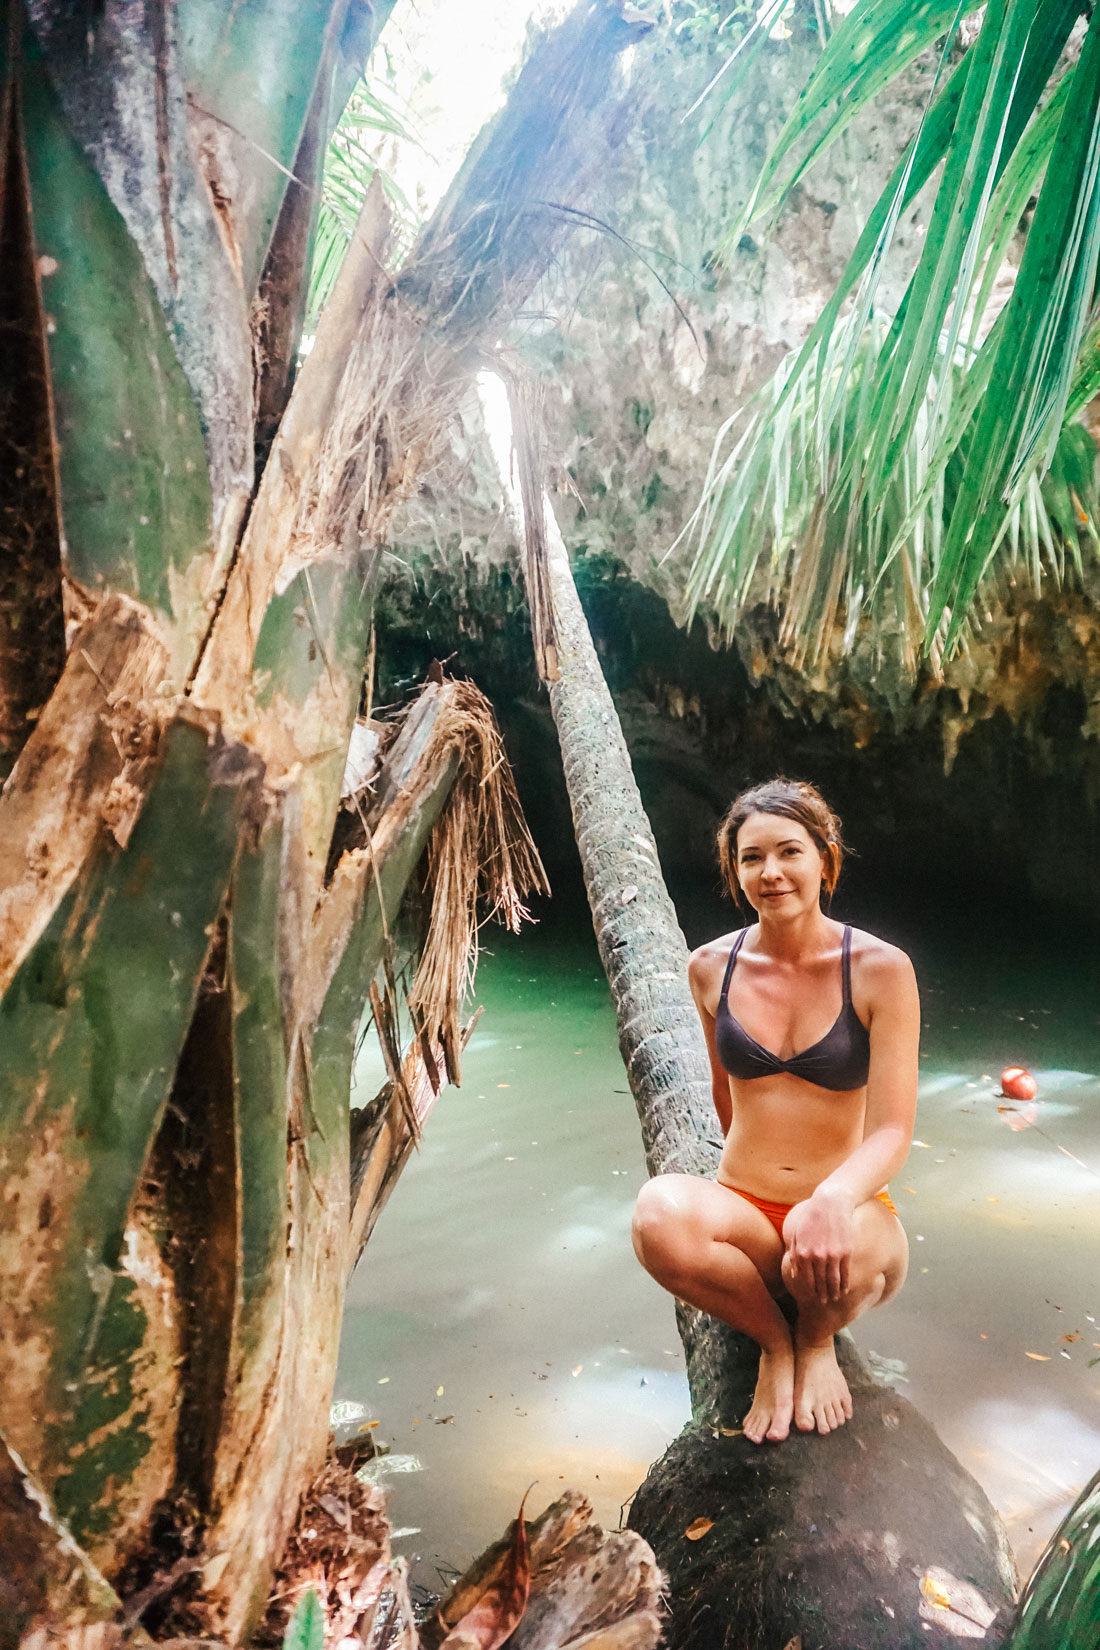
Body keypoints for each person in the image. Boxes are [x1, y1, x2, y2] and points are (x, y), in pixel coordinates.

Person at [631, 778, 919, 1444]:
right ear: (735, 873)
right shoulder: (710, 967)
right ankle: (775, 1343)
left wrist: (830, 1198)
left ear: (826, 858)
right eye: (751, 858)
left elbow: (894, 1130)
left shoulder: (880, 969)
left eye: (789, 851)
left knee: (825, 1260)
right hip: (748, 1214)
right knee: (655, 1218)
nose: (771, 872)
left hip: (846, 1219)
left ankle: (817, 1340)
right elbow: (724, 1095)